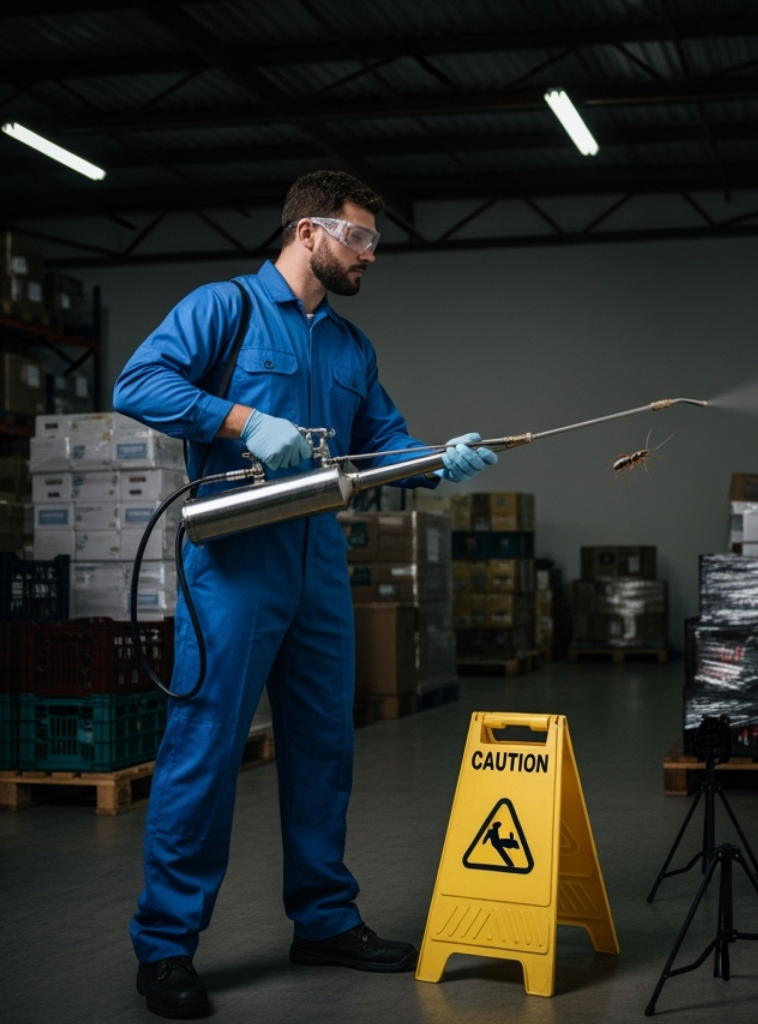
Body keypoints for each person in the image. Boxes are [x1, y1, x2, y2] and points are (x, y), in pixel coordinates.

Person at [113, 170, 497, 1019]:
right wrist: (243, 421)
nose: (370, 256)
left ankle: (324, 919)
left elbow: (383, 444)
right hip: (235, 567)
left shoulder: (352, 348)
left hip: (319, 563)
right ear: (308, 232)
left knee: (325, 749)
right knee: (205, 753)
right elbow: (138, 383)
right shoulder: (227, 310)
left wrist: (439, 459)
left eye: (374, 243)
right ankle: (167, 947)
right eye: (359, 238)